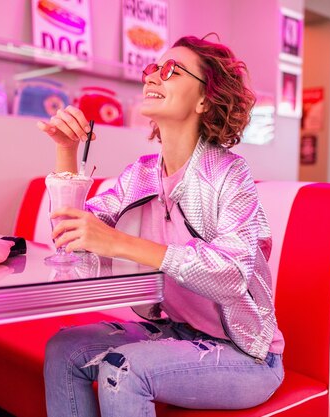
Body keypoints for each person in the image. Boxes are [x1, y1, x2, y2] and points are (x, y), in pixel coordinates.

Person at [38, 34, 284, 417]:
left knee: (125, 371)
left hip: (247, 355)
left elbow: (232, 274)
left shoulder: (230, 173)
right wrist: (66, 149)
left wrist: (121, 242)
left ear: (205, 99)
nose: (152, 77)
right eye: (152, 69)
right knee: (63, 348)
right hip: (181, 332)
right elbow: (74, 245)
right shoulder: (140, 175)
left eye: (170, 70)